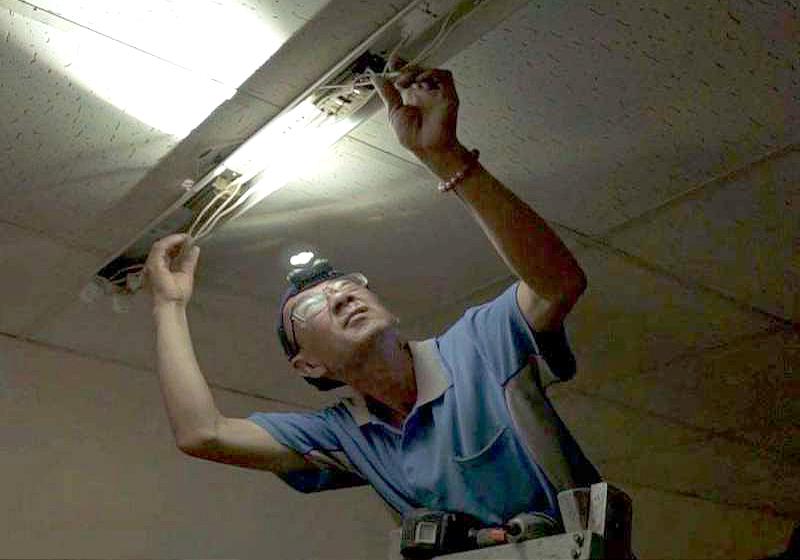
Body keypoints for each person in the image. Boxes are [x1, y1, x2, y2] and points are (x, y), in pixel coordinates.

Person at [145, 65, 601, 531]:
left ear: (389, 310)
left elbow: (558, 285)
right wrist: (168, 305)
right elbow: (203, 434)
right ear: (309, 366)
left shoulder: (478, 345)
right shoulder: (345, 435)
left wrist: (445, 157)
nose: (341, 298)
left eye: (349, 286)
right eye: (312, 307)